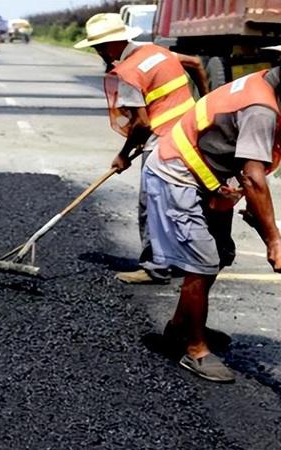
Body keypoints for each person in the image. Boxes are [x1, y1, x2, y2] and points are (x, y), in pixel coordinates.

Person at [143, 52, 281, 382]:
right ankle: (195, 349)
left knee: (220, 254)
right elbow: (253, 178)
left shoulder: (267, 83)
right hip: (176, 176)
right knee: (201, 261)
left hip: (209, 176)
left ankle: (178, 327)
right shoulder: (261, 108)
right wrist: (273, 239)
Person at [74, 13, 210, 284]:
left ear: (114, 43)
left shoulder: (127, 73)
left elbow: (142, 125)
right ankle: (185, 260)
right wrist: (203, 101)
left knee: (152, 204)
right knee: (184, 200)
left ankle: (155, 268)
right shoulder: (155, 50)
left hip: (163, 143)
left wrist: (123, 155)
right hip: (190, 133)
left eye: (100, 47)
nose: (99, 52)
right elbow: (195, 63)